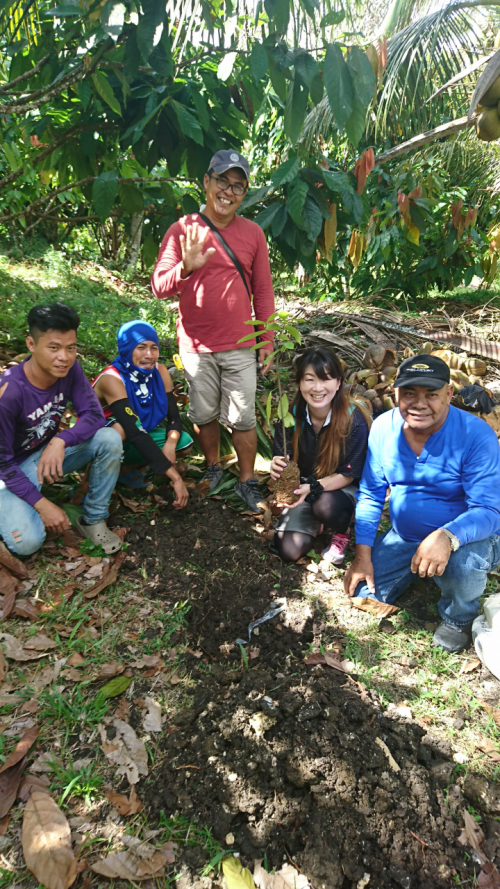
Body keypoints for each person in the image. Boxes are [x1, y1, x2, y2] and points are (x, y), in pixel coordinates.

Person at [344, 354, 500, 654]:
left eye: (431, 394)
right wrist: (362, 555)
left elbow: (489, 510)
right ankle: (423, 565)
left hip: (467, 538)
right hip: (404, 535)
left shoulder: (475, 435)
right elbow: (372, 494)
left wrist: (446, 537)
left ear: (449, 394)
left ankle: (458, 616)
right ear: (396, 393)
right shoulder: (382, 429)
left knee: (463, 565)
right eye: (409, 394)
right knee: (364, 592)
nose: (419, 404)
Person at [151, 149, 276, 513]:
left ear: (244, 192)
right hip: (195, 345)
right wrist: (185, 269)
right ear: (206, 182)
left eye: (238, 185)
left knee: (243, 417)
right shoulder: (183, 230)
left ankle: (248, 480)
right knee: (203, 414)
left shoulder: (253, 234)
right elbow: (159, 285)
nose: (228, 191)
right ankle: (213, 467)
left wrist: (265, 338)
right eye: (222, 180)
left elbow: (263, 290)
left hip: (240, 344)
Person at [0, 303, 123, 556]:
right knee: (27, 544)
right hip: (7, 471)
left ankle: (94, 520)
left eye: (71, 348)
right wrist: (43, 505)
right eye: (53, 347)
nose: (64, 357)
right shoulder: (9, 393)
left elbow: (93, 414)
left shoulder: (69, 370)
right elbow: (2, 464)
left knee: (109, 437)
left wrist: (61, 440)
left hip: (43, 453)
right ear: (31, 345)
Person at [269, 347, 370, 564]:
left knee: (324, 504)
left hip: (341, 488)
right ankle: (317, 522)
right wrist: (276, 465)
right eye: (309, 379)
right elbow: (283, 458)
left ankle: (341, 530)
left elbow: (349, 474)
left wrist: (313, 488)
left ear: (338, 383)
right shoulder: (291, 416)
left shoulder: (354, 419)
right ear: (299, 383)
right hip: (305, 488)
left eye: (326, 379)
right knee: (288, 551)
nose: (317, 388)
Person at [92, 320, 191, 508]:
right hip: (96, 444)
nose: (149, 355)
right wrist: (175, 478)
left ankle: (124, 473)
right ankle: (89, 488)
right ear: (127, 349)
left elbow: (174, 418)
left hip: (134, 436)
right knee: (119, 430)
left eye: (154, 348)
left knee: (182, 442)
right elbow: (134, 430)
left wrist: (170, 444)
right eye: (141, 348)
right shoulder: (112, 378)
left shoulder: (160, 372)